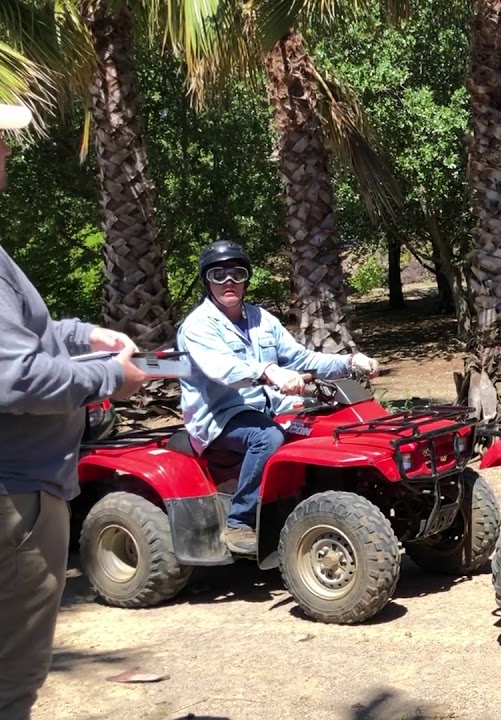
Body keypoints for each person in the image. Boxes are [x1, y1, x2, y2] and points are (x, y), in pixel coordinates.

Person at [0, 102, 148, 720]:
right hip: (17, 500)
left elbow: (20, 341)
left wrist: (80, 334)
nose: (8, 151)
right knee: (11, 682)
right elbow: (15, 377)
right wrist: (112, 376)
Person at [176, 239, 379, 554]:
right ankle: (239, 522)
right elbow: (224, 370)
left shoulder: (261, 319)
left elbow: (300, 358)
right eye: (218, 275)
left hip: (270, 408)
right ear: (207, 281)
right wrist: (270, 372)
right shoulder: (198, 326)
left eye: (237, 274)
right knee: (267, 438)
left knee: (326, 423)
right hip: (219, 417)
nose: (229, 281)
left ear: (246, 280)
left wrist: (349, 362)